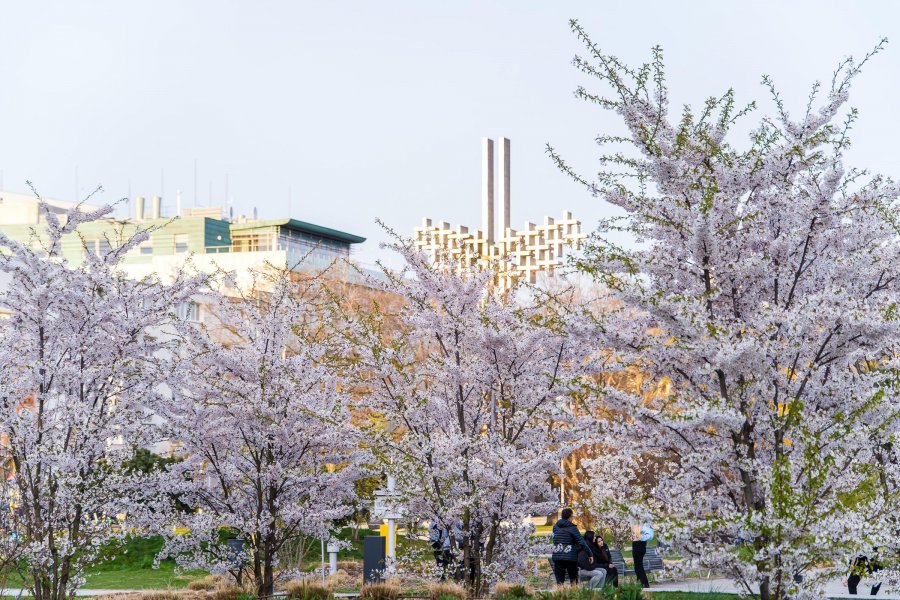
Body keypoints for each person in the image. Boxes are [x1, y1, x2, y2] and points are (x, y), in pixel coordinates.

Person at [552, 508, 593, 585]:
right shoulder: (572, 528)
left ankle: (559, 595)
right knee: (573, 580)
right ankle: (574, 595)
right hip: (570, 557)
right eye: (572, 516)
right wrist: (590, 554)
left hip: (557, 556)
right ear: (570, 517)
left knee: (560, 582)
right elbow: (582, 542)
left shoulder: (555, 527)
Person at [631, 523, 654, 588]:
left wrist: (639, 537)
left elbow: (649, 537)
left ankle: (644, 584)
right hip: (636, 545)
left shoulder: (647, 527)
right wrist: (634, 536)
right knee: (637, 567)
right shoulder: (641, 525)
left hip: (639, 546)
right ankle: (640, 583)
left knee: (638, 566)